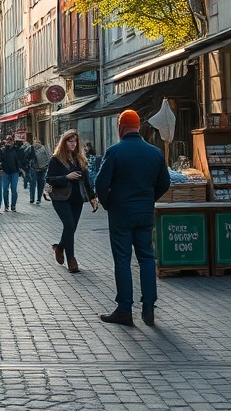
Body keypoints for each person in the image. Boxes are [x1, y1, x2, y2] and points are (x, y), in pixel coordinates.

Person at [95, 109, 170, 327]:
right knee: (146, 258)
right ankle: (149, 307)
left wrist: (108, 203)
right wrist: (149, 199)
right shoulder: (155, 152)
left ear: (120, 127)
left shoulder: (115, 152)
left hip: (121, 214)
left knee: (122, 259)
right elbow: (164, 183)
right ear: (139, 127)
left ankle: (124, 309)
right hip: (144, 213)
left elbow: (100, 183)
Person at [45, 129, 98, 273]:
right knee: (69, 225)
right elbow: (49, 179)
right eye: (70, 141)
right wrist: (66, 177)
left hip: (77, 198)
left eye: (75, 141)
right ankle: (71, 260)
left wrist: (92, 197)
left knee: (72, 228)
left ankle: (60, 247)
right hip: (60, 198)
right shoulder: (56, 159)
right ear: (64, 143)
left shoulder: (79, 158)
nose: (73, 144)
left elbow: (86, 180)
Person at [0, 133, 25, 211]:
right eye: (7, 140)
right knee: (5, 189)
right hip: (5, 172)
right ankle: (6, 206)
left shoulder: (16, 149)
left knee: (14, 189)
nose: (9, 141)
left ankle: (13, 206)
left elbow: (22, 155)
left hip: (14, 172)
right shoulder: (3, 150)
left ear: (13, 141)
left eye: (10, 140)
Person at [24, 138, 51, 204]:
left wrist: (48, 165)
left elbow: (49, 156)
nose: (36, 144)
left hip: (43, 168)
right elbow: (25, 154)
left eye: (38, 142)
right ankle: (32, 198)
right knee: (32, 183)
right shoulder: (31, 148)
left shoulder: (43, 148)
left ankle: (39, 199)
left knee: (41, 184)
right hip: (33, 168)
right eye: (35, 142)